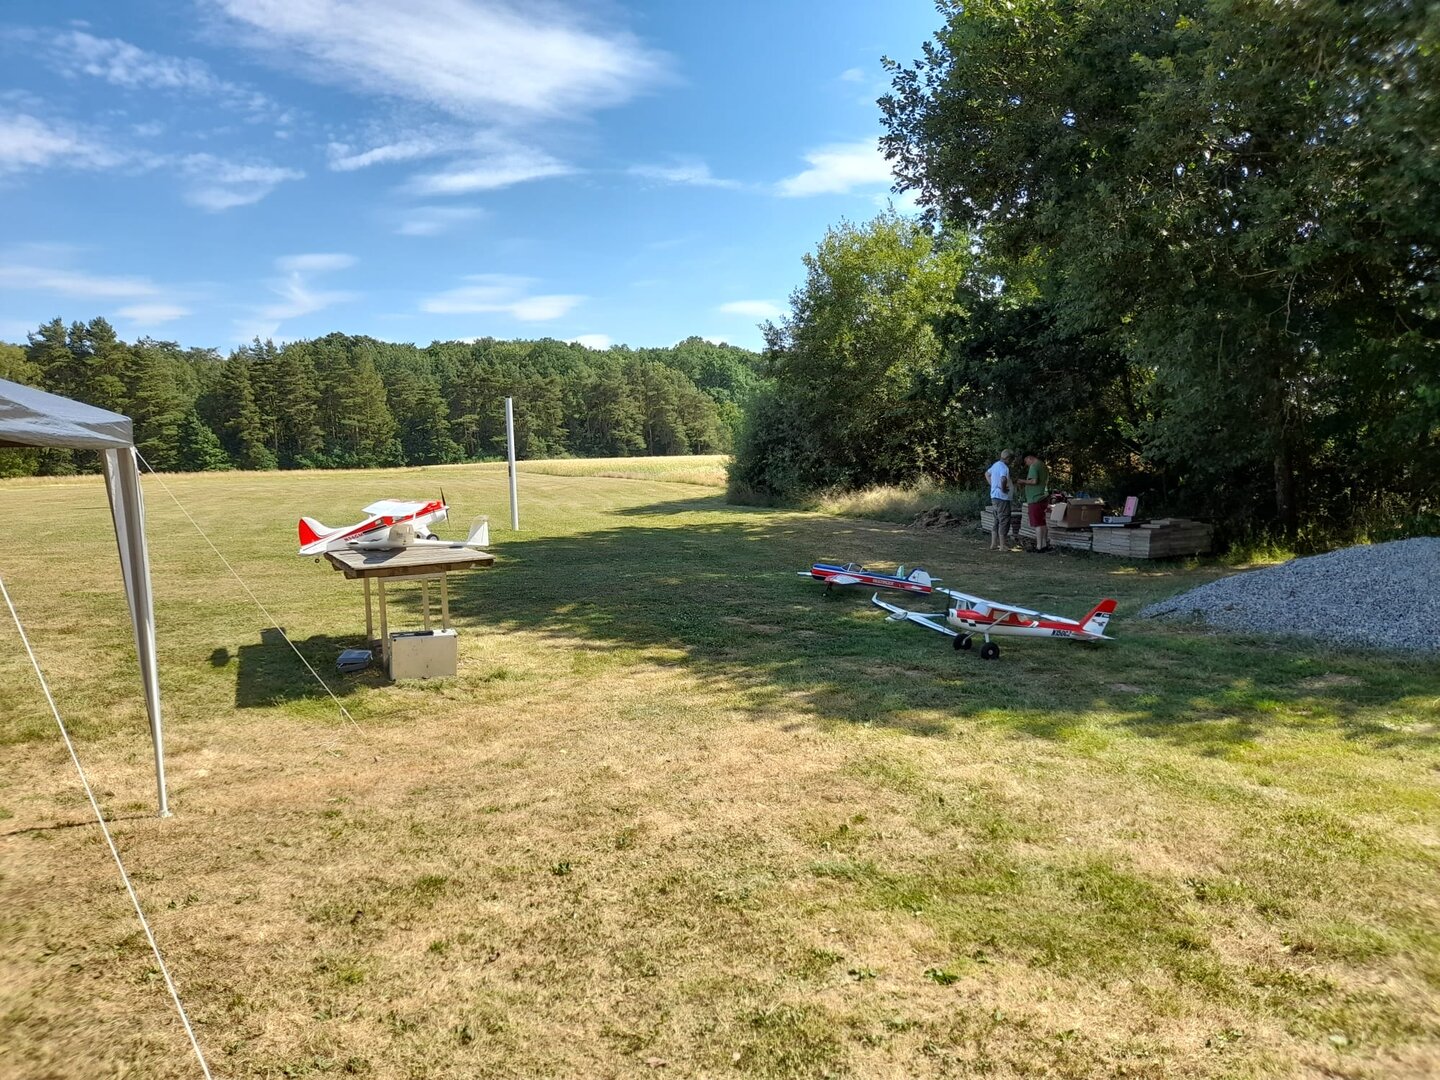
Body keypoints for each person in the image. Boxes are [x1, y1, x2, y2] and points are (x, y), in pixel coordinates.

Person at [1018, 452, 1052, 552]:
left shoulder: (1034, 466)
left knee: (1037, 523)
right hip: (1043, 496)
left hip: (1035, 498)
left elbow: (1034, 481)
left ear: (1029, 458)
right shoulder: (1043, 465)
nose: (1026, 464)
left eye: (1026, 462)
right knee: (1042, 522)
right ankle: (1044, 544)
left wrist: (1022, 481)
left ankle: (1039, 546)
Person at [984, 449, 1016, 550]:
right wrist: (1003, 489)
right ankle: (1003, 545)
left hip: (994, 496)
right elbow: (1003, 478)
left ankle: (993, 543)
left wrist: (992, 485)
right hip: (1002, 498)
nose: (1011, 462)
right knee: (1004, 520)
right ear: (1008, 458)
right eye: (1011, 460)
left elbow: (987, 474)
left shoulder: (995, 465)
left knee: (997, 519)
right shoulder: (1004, 467)